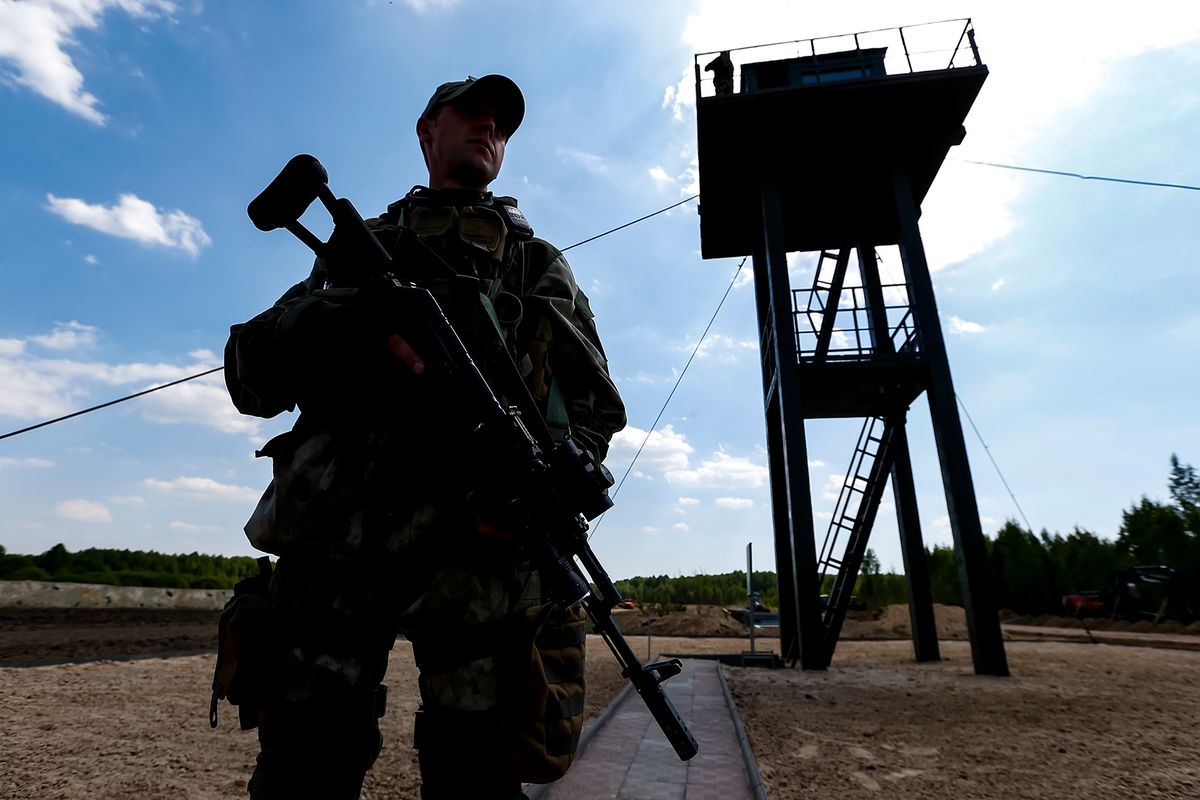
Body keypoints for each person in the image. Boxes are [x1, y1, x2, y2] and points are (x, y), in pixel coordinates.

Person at [222, 74, 626, 799]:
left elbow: (594, 403)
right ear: (425, 130)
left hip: (481, 555)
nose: (489, 127)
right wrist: (341, 325)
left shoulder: (536, 263)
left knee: (475, 772)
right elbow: (251, 378)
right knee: (305, 763)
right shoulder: (356, 247)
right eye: (471, 112)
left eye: (501, 122)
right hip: (337, 543)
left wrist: (547, 485)